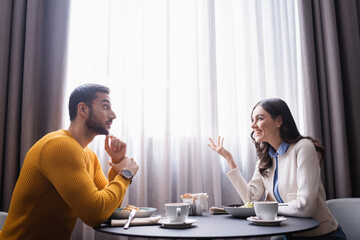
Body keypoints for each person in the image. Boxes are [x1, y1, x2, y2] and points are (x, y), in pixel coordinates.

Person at [0, 84, 139, 240]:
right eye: (105, 106)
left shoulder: (89, 155)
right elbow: (95, 213)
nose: (113, 115)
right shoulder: (60, 146)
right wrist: (125, 174)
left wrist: (117, 163)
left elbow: (109, 211)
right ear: (83, 109)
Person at [208, 98, 346, 239]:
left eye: (259, 118)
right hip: (289, 234)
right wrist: (229, 159)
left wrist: (262, 208)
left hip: (323, 235)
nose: (253, 125)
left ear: (279, 121)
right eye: (252, 120)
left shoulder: (303, 147)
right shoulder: (265, 158)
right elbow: (250, 197)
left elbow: (305, 207)